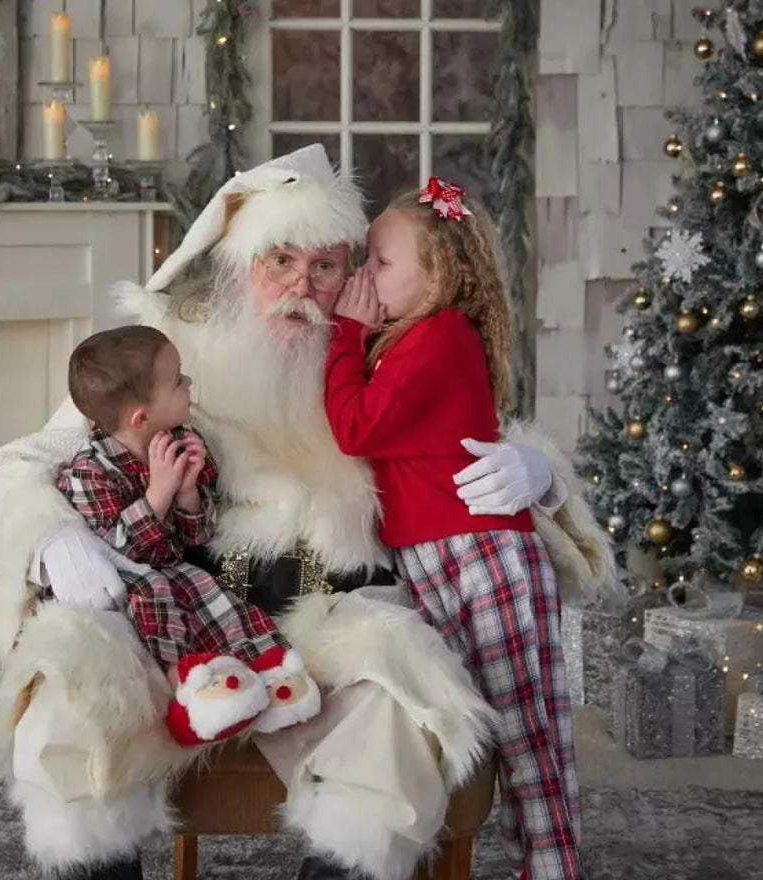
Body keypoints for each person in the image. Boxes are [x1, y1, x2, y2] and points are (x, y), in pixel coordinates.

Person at [0, 144, 615, 880]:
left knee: (399, 716)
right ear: (241, 261)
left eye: (324, 265)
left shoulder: (384, 348)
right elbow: (23, 460)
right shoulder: (170, 351)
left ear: (352, 271)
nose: (300, 286)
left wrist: (543, 477)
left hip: (332, 615)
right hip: (184, 613)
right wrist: (55, 537)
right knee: (69, 686)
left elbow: (472, 445)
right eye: (278, 260)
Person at [324, 178, 581, 880]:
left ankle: (554, 867)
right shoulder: (409, 337)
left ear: (435, 273)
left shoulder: (438, 338)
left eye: (380, 262)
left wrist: (344, 332)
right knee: (458, 719)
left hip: (480, 556)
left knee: (527, 728)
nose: (362, 276)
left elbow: (356, 427)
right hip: (436, 556)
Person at [54, 325, 321, 746]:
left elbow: (198, 536)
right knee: (159, 617)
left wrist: (188, 492)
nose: (189, 383)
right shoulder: (90, 470)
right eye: (178, 381)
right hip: (128, 580)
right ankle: (193, 698)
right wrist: (157, 493)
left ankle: (271, 678)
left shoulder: (183, 440)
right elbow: (115, 548)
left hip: (179, 570)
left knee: (223, 608)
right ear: (140, 417)